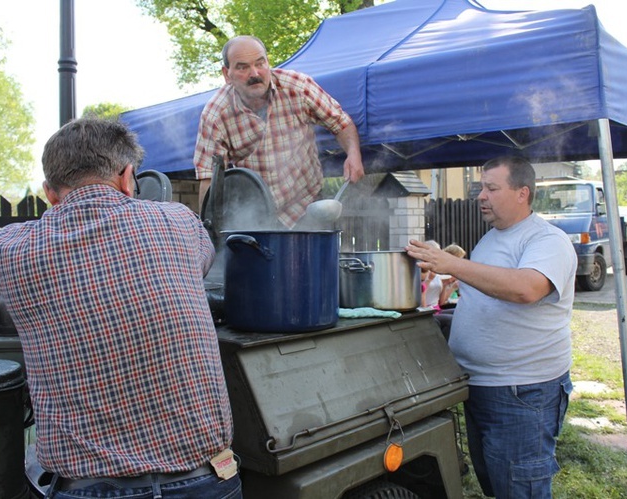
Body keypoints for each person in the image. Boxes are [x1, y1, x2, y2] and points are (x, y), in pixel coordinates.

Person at [0, 118, 241, 499]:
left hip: (85, 490)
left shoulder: (8, 249)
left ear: (49, 193)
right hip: (204, 481)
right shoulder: (179, 222)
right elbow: (201, 264)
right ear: (127, 178)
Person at [405, 156, 577, 498]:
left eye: (491, 188)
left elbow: (525, 288)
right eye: (481, 187)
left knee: (519, 488)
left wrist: (453, 263)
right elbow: (482, 296)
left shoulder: (547, 240)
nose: (480, 195)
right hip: (481, 385)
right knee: (497, 483)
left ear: (521, 193)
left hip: (523, 391)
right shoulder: (491, 239)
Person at [194, 35, 365, 227]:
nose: (254, 73)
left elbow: (341, 123)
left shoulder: (298, 87)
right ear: (227, 74)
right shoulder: (215, 114)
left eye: (260, 63)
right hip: (256, 217)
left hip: (309, 205)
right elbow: (209, 178)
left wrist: (353, 153)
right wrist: (207, 232)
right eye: (243, 67)